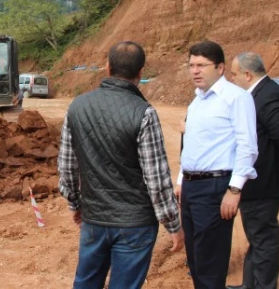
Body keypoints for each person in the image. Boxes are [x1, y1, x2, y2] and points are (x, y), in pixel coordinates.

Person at [58, 41, 184, 289]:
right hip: (135, 224)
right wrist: (173, 225)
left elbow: (66, 167)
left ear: (107, 67)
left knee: (86, 283)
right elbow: (156, 181)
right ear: (140, 73)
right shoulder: (144, 113)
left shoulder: (77, 107)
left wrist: (75, 203)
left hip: (94, 218)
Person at [175, 40, 258, 289]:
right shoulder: (197, 101)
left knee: (211, 261)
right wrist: (181, 180)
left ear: (220, 68)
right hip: (191, 188)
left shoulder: (236, 98)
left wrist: (234, 190)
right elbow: (192, 144)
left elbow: (247, 146)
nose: (195, 70)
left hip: (215, 187)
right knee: (196, 258)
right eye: (191, 65)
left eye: (202, 65)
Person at [227, 52, 279, 289]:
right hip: (259, 181)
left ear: (248, 75)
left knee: (263, 238)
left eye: (235, 74)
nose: (233, 79)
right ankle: (250, 284)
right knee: (257, 236)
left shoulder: (268, 96)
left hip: (266, 181)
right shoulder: (258, 94)